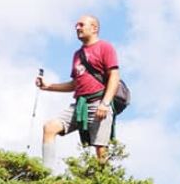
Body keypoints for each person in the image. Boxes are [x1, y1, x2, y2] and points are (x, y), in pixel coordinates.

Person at [36, 15, 120, 170]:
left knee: (100, 147)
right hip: (80, 104)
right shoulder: (77, 54)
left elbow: (114, 76)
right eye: (76, 25)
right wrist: (48, 86)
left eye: (81, 25)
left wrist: (105, 103)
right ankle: (45, 175)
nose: (77, 28)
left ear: (94, 28)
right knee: (50, 127)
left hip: (99, 102)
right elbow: (76, 84)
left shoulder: (105, 47)